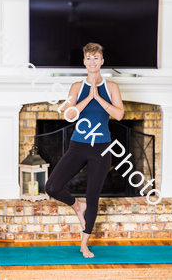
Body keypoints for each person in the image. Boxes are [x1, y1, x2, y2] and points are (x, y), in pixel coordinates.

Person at [45, 42, 124, 258]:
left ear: (102, 61)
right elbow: (68, 115)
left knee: (93, 196)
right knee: (52, 186)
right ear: (84, 61)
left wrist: (99, 97)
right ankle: (77, 205)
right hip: (78, 146)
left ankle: (84, 244)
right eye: (88, 58)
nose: (92, 62)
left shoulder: (112, 87)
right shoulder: (77, 87)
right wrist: (88, 97)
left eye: (96, 58)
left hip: (101, 148)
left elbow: (119, 115)